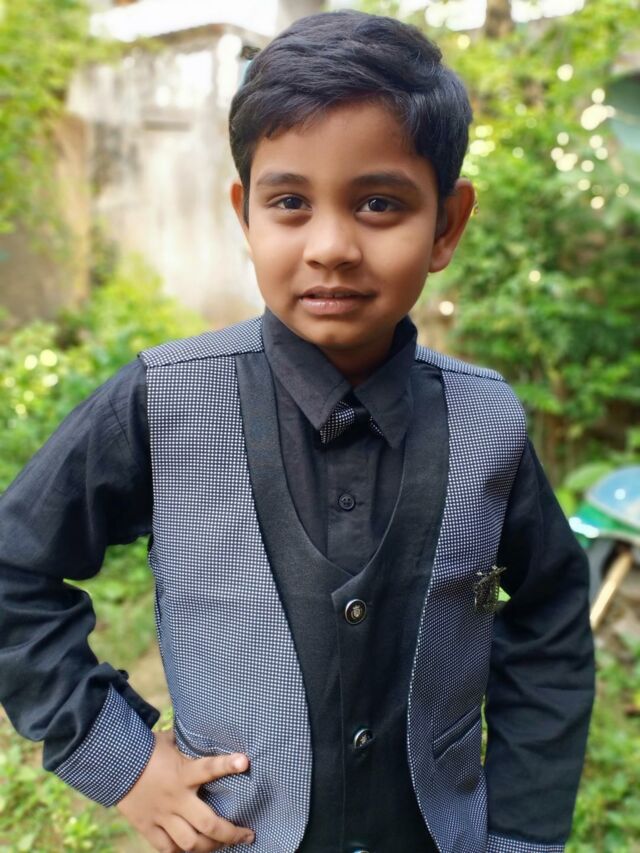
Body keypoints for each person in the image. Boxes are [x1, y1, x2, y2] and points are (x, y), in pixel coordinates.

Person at [0, 10, 594, 853]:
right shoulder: (163, 400)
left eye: (379, 203)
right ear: (245, 215)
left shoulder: (487, 421)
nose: (331, 246)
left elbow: (551, 621)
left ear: (447, 225)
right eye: (289, 203)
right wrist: (123, 759)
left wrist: (524, 834)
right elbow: (13, 569)